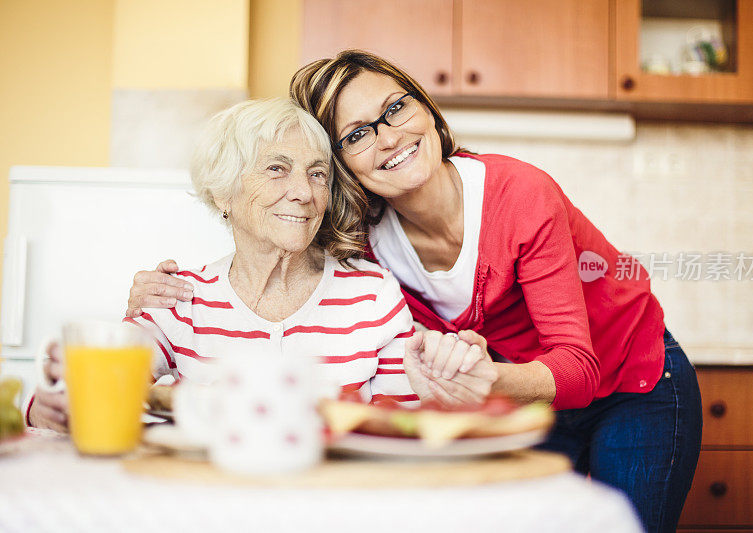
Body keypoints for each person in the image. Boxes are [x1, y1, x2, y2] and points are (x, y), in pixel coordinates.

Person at [126, 51, 702, 532]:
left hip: (631, 378)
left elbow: (578, 369)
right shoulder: (368, 246)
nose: (389, 135)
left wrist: (481, 382)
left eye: (395, 107)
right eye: (356, 133)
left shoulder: (520, 195)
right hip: (526, 393)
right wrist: (147, 312)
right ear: (343, 166)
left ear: (424, 104)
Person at [26, 97, 498, 431]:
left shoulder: (371, 294)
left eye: (317, 174)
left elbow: (400, 423)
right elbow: (99, 383)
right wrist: (47, 402)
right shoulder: (179, 297)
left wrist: (447, 382)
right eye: (276, 168)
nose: (304, 192)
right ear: (222, 192)